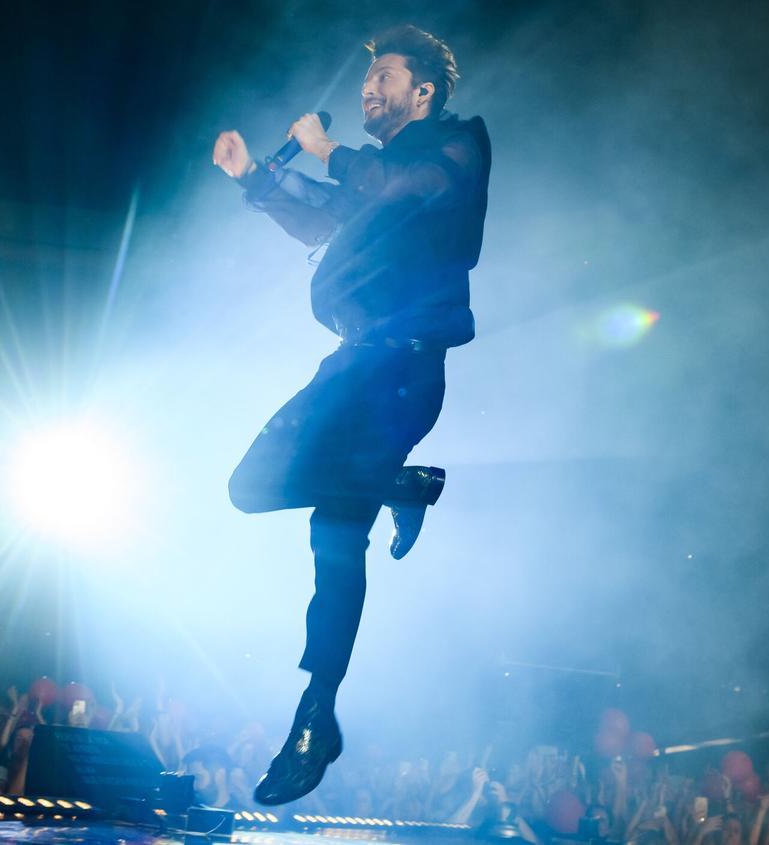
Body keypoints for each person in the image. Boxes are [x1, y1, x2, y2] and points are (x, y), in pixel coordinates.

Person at [212, 24, 491, 805]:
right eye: (367, 79)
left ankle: (314, 715)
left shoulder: (457, 146)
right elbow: (327, 215)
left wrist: (328, 148)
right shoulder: (377, 175)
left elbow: (399, 187)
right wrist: (252, 180)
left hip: (401, 364)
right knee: (250, 486)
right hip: (356, 362)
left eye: (387, 78)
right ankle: (399, 484)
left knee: (334, 539)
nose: (369, 89)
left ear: (424, 92)